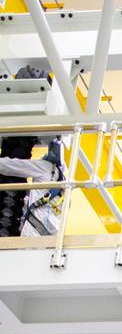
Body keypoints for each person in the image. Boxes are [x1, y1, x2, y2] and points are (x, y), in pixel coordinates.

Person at [0, 66, 66, 238]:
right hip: (42, 235)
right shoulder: (59, 180)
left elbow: (10, 166)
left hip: (32, 232)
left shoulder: (46, 168)